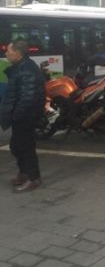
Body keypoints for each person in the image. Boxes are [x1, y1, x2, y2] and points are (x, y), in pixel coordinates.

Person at [0, 40, 45, 192]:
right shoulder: (20, 67)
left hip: (26, 116)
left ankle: (33, 178)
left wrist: (16, 115)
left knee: (25, 147)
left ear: (18, 54)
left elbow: (27, 99)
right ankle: (24, 173)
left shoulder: (27, 70)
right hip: (21, 116)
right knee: (16, 146)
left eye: (9, 51)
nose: (6, 54)